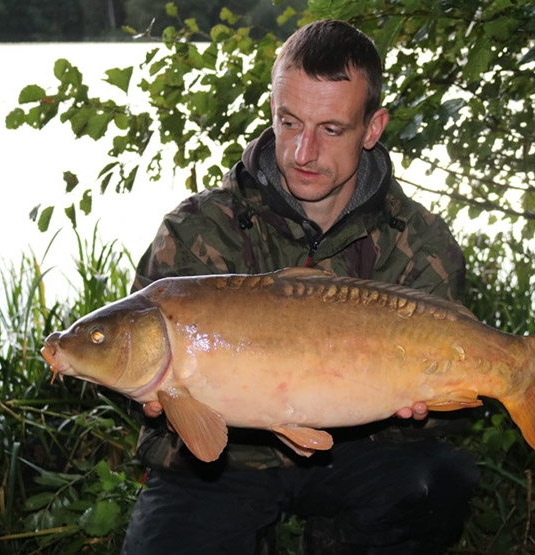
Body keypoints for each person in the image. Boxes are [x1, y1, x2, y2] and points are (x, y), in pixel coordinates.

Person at [121, 19, 479, 555]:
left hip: (356, 449)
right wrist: (156, 399)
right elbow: (141, 367)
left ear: (373, 128)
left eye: (331, 129)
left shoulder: (419, 240)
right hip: (221, 460)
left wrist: (422, 406)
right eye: (289, 122)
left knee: (435, 482)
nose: (302, 152)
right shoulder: (197, 229)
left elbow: (438, 419)